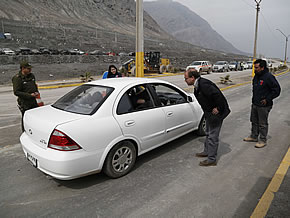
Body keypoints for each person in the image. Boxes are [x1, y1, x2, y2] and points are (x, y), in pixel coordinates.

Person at [184, 69, 230, 166]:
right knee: (208, 133)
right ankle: (206, 151)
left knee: (213, 136)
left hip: (216, 114)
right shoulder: (198, 84)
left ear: (192, 78)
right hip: (208, 113)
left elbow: (218, 95)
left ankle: (211, 159)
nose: (185, 81)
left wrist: (218, 108)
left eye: (186, 78)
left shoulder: (204, 85)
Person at [243, 59, 281, 148]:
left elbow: (277, 90)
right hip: (255, 103)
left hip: (264, 105)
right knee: (254, 121)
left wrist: (267, 99)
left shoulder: (269, 77)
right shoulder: (256, 76)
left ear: (262, 68)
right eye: (254, 67)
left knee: (262, 123)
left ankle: (263, 140)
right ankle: (254, 136)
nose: (255, 69)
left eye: (256, 67)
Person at [12, 61, 39, 131]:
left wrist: (36, 92)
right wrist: (29, 95)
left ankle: (35, 131)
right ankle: (25, 132)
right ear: (23, 69)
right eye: (28, 69)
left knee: (35, 117)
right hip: (25, 102)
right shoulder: (17, 78)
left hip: (33, 100)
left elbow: (34, 85)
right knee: (26, 119)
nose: (30, 70)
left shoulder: (32, 76)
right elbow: (16, 92)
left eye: (30, 68)